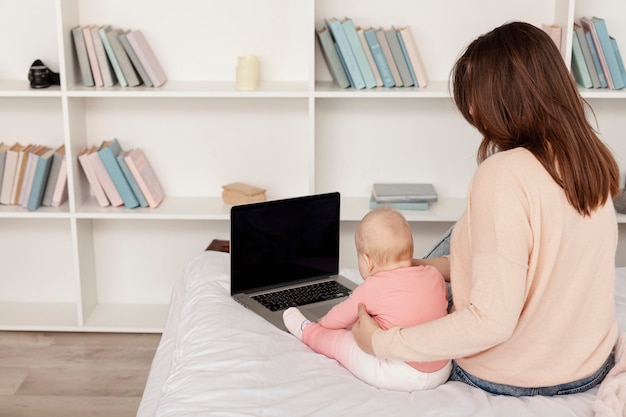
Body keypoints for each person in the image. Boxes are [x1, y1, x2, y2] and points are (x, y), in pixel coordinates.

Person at [352, 21, 620, 396]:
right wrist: (427, 267)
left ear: (506, 98)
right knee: (461, 235)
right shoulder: (588, 160)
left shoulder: (503, 175)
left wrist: (380, 342)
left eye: (476, 97)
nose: (473, 110)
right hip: (589, 364)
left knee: (398, 295)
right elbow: (535, 259)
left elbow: (490, 322)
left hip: (515, 374)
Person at [283, 206, 451, 391]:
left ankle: (307, 331)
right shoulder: (434, 274)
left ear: (368, 261)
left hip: (400, 373)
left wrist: (322, 323)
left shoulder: (372, 287)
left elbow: (340, 316)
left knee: (343, 342)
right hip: (441, 368)